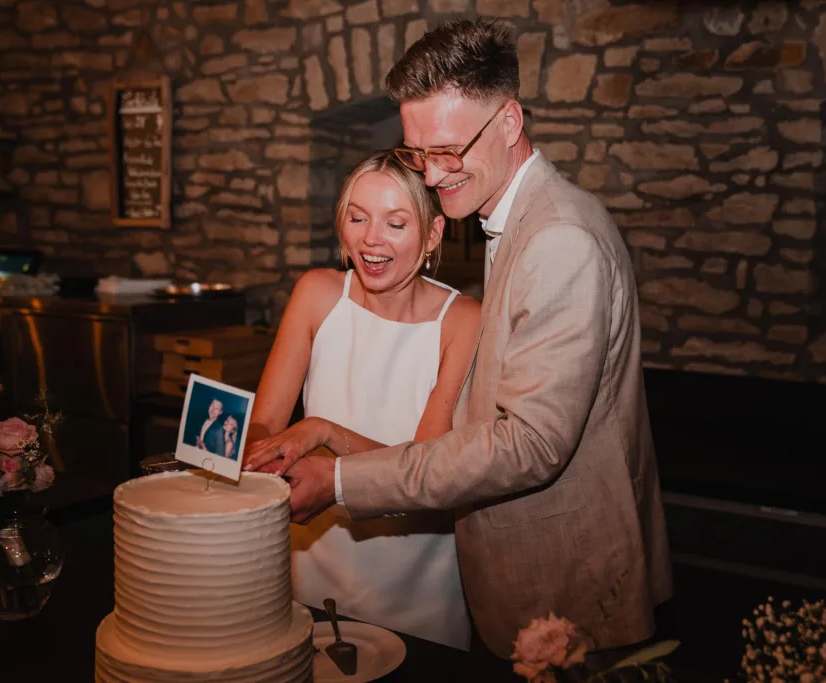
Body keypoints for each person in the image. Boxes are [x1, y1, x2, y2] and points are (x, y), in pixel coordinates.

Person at [247, 19, 673, 666]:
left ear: (508, 122)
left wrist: (336, 475)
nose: (435, 174)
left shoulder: (559, 238)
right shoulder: (517, 222)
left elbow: (530, 443)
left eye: (449, 150)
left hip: (567, 586)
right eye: (419, 153)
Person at [243, 150, 481, 650]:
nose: (371, 239)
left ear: (433, 234)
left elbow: (428, 472)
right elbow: (264, 426)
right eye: (358, 217)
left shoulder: (462, 320)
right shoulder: (316, 293)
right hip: (308, 575)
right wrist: (249, 450)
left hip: (419, 592)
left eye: (396, 223)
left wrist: (323, 431)